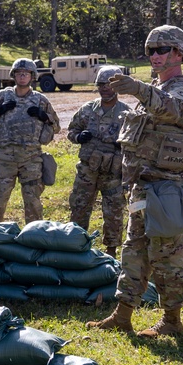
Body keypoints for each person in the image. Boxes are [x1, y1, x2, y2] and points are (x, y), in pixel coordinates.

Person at [85, 25, 183, 338]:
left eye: (162, 49)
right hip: (142, 188)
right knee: (133, 250)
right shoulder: (153, 91)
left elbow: (171, 110)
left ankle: (171, 320)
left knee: (166, 255)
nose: (155, 55)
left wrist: (137, 88)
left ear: (179, 53)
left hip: (168, 188)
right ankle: (123, 315)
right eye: (151, 49)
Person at [0, 58, 60, 223]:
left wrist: (44, 116)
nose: (22, 76)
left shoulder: (40, 100)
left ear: (32, 76)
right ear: (13, 75)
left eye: (26, 73)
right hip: (4, 159)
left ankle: (34, 239)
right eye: (19, 73)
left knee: (33, 205)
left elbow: (56, 126)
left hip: (31, 159)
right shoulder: (2, 96)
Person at [67, 65, 131, 259]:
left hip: (112, 172)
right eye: (101, 84)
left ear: (117, 87)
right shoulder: (87, 109)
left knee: (113, 212)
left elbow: (134, 143)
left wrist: (123, 149)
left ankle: (111, 251)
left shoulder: (126, 114)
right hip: (87, 171)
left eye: (109, 84)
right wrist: (79, 137)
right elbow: (71, 131)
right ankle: (75, 247)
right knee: (79, 207)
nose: (104, 88)